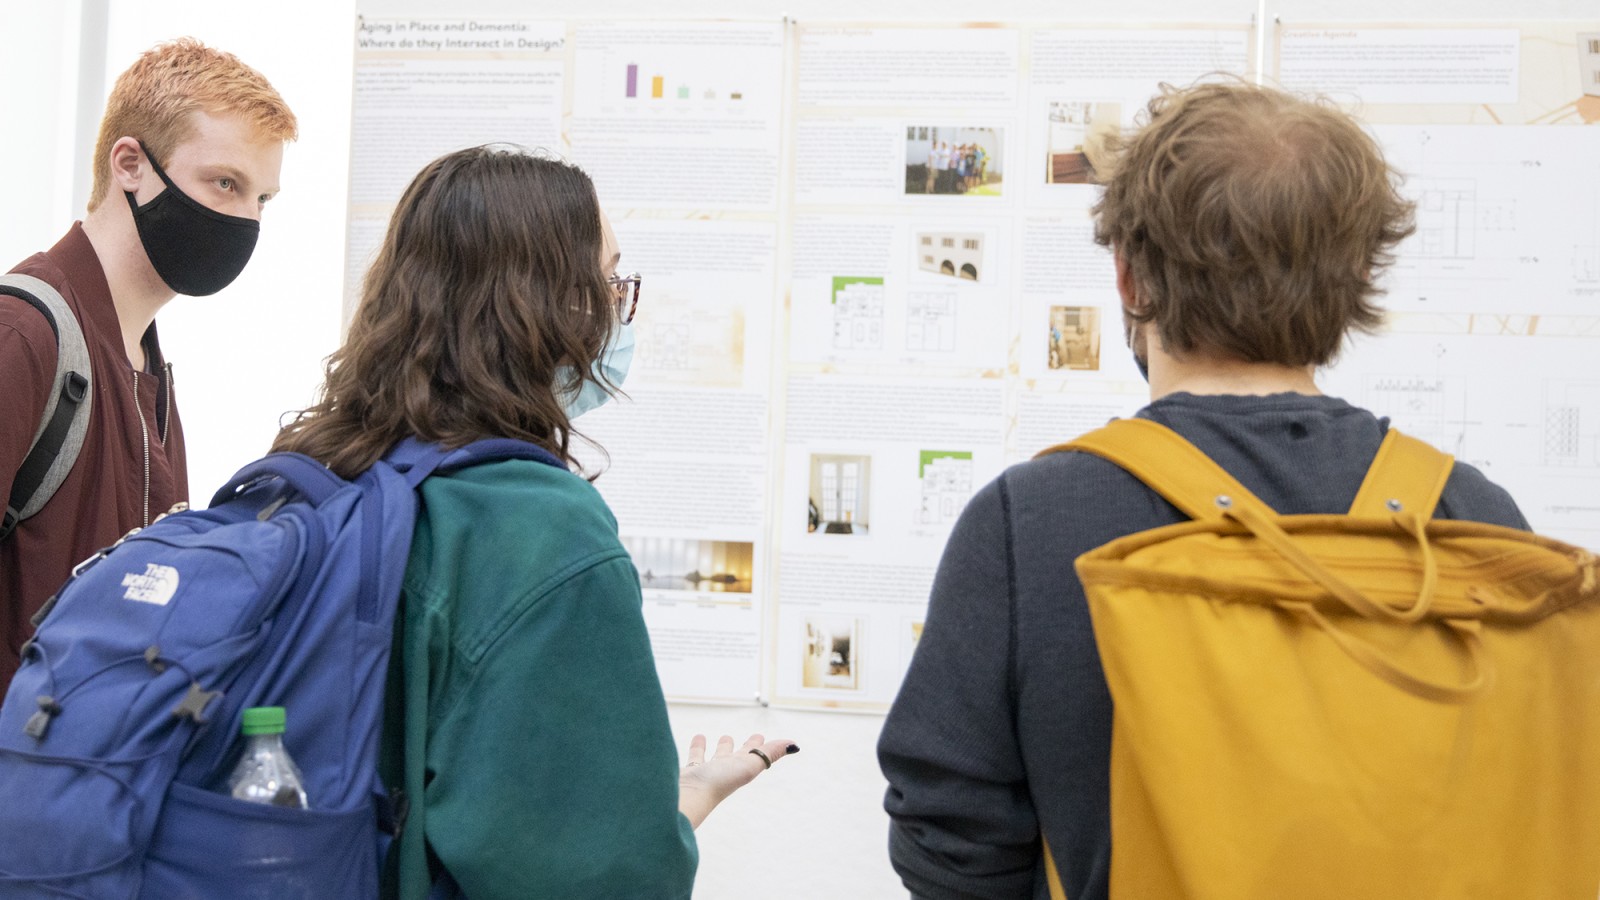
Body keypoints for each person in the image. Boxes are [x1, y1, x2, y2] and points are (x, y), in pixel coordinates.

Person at [877, 80, 1529, 900]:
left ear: (1129, 279)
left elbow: (949, 835)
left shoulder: (1030, 522)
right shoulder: (1472, 517)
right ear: (1357, 279)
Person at [271, 145, 794, 899]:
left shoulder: (318, 474)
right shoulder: (546, 534)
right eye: (609, 281)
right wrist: (684, 806)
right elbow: (604, 878)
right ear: (541, 307)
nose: (620, 307)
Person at [0, 38, 297, 691]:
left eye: (262, 200)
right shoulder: (24, 336)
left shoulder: (149, 370)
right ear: (130, 164)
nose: (246, 219)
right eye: (225, 183)